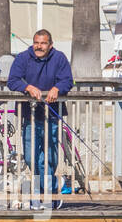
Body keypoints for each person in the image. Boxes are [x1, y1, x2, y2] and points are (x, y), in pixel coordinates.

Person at [7, 29, 73, 209]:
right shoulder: (22, 58)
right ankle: (39, 193)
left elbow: (68, 80)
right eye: (36, 42)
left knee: (48, 159)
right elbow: (12, 80)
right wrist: (27, 87)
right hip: (29, 116)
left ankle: (50, 196)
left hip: (52, 115)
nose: (39, 46)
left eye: (43, 43)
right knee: (31, 158)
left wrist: (57, 88)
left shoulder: (59, 58)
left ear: (50, 45)